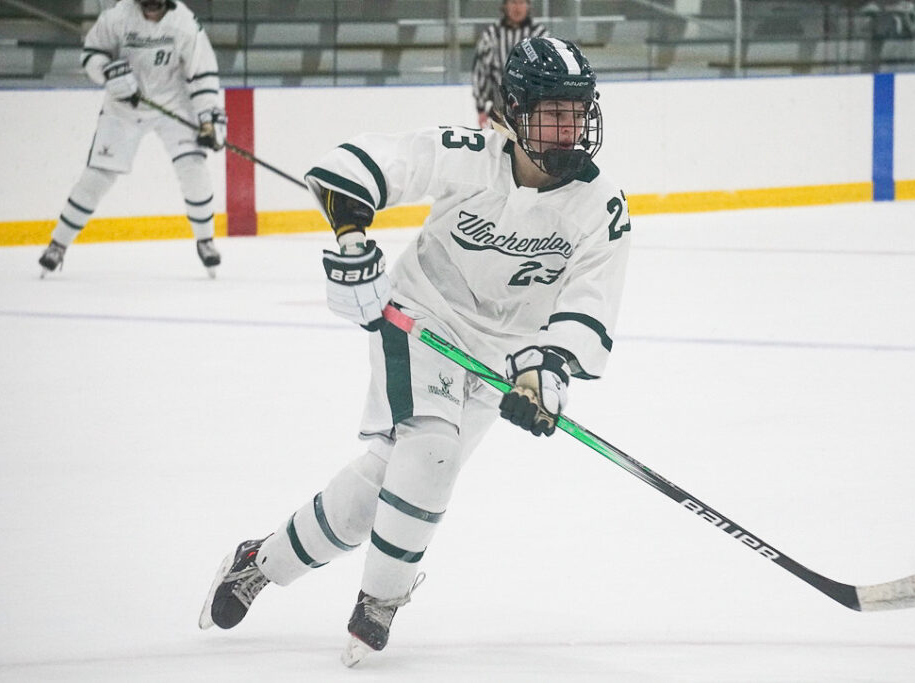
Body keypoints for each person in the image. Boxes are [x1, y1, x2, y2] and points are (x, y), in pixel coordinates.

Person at [198, 36, 631, 667]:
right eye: (550, 112)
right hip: (422, 317)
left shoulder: (602, 207)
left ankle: (261, 562)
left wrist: (546, 376)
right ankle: (381, 600)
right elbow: (355, 166)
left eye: (576, 112)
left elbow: (588, 305)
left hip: (505, 360)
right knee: (428, 452)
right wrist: (352, 242)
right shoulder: (469, 156)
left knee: (387, 482)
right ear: (512, 111)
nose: (567, 129)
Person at [38, 0, 227, 278]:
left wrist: (209, 118)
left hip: (173, 104)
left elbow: (202, 74)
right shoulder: (116, 17)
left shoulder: (185, 24)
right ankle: (58, 244)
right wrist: (107, 71)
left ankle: (205, 240)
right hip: (123, 106)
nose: (150, 9)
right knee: (97, 176)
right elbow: (91, 54)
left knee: (193, 169)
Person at [471, 0, 547, 128]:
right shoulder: (492, 34)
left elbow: (546, 72)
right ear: (505, 6)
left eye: (522, 2)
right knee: (499, 147)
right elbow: (481, 72)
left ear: (528, 6)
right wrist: (481, 108)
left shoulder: (539, 33)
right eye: (513, 2)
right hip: (500, 110)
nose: (517, 7)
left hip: (534, 111)